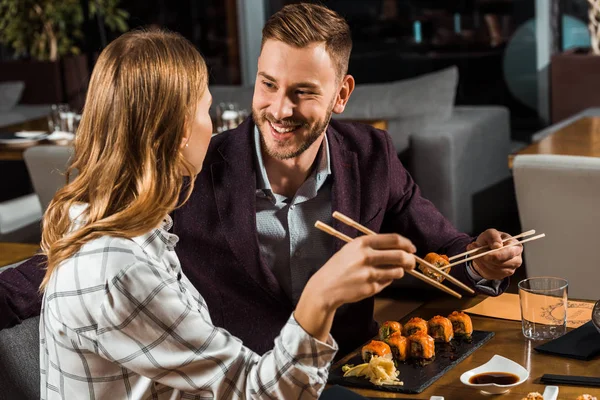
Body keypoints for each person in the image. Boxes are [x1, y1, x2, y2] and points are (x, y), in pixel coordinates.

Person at [0, 3, 522, 359]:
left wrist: (483, 255)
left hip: (352, 373)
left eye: (303, 92)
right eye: (268, 84)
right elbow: (85, 255)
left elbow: (446, 249)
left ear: (341, 95)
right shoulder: (197, 166)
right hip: (236, 380)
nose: (278, 109)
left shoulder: (372, 156)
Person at [37, 29, 416, 399]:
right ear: (181, 130)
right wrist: (321, 296)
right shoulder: (118, 269)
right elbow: (261, 393)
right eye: (206, 108)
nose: (214, 126)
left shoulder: (122, 230)